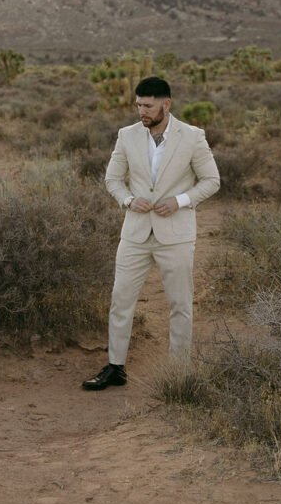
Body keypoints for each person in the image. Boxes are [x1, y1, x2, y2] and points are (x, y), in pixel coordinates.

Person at [83, 76, 221, 390]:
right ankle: (115, 367)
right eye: (138, 105)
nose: (142, 111)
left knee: (180, 304)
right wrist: (129, 200)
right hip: (135, 232)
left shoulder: (192, 136)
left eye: (148, 105)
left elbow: (211, 180)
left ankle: (178, 371)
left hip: (176, 233)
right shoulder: (127, 136)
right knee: (121, 300)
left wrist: (180, 201)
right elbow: (112, 180)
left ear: (166, 104)